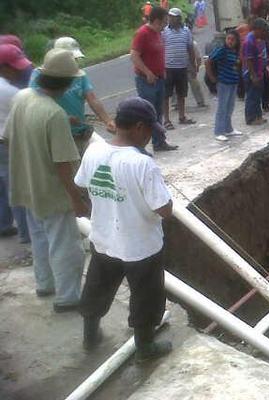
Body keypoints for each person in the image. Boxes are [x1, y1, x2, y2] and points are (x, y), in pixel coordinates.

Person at [76, 97, 173, 361]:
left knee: (97, 288)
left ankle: (90, 336)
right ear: (140, 127)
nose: (150, 137)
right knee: (146, 297)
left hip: (104, 240)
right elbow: (164, 209)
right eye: (150, 131)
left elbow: (83, 183)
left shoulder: (93, 151)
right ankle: (145, 348)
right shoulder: (142, 164)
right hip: (141, 246)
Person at [3, 49, 87, 312]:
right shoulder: (54, 114)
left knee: (40, 239)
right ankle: (68, 297)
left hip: (26, 185)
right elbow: (63, 164)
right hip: (51, 192)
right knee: (66, 246)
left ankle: (45, 284)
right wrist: (77, 199)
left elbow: (8, 136)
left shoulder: (22, 97)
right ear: (67, 83)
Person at [29, 37, 116, 155]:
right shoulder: (40, 76)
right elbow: (37, 105)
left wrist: (107, 120)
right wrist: (63, 118)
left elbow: (92, 99)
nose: (74, 62)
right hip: (57, 134)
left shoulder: (79, 75)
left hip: (79, 131)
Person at [131, 6, 178, 151]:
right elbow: (134, 55)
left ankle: (159, 142)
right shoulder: (143, 33)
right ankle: (140, 146)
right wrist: (147, 72)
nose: (165, 26)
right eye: (164, 22)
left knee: (158, 113)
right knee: (146, 114)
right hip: (147, 80)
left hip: (159, 78)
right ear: (156, 20)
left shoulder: (158, 33)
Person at [0, 44, 31, 242]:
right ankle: (26, 232)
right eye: (14, 67)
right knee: (16, 185)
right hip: (5, 142)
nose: (19, 70)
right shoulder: (9, 92)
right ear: (2, 67)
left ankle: (4, 224)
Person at [162, 7, 196, 130]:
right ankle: (166, 120)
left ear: (179, 19)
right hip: (168, 67)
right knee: (166, 95)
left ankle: (182, 116)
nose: (170, 19)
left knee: (182, 93)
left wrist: (193, 65)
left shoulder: (186, 31)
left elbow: (190, 48)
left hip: (182, 67)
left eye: (173, 17)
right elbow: (161, 49)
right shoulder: (164, 32)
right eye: (169, 16)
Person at [207, 31, 241, 142]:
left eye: (233, 40)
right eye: (228, 39)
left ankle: (228, 129)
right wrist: (211, 76)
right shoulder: (222, 50)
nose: (230, 41)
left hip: (232, 82)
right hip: (224, 83)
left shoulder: (234, 51)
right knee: (222, 107)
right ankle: (219, 131)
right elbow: (209, 60)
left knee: (229, 107)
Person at [242, 18, 269, 126]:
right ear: (257, 29)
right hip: (251, 74)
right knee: (252, 96)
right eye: (263, 31)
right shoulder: (249, 41)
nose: (264, 33)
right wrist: (253, 75)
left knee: (257, 96)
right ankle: (251, 118)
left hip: (258, 72)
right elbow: (249, 60)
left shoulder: (257, 39)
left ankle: (258, 116)